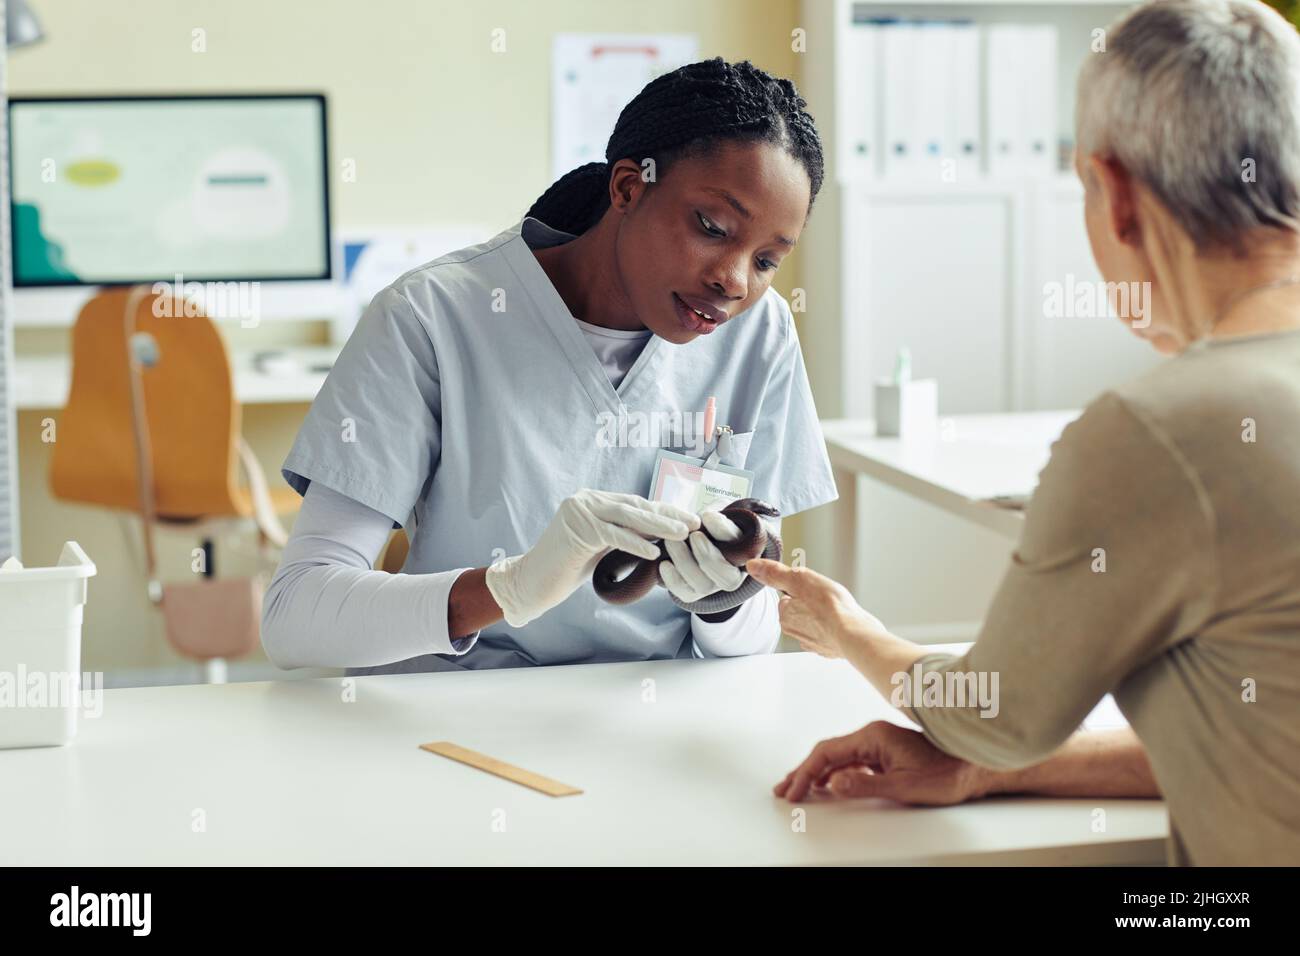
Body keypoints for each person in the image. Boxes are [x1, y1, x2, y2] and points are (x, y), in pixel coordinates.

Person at [750, 0, 1300, 866]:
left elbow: (990, 714)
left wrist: (847, 627)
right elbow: (1261, 735)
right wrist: (987, 776)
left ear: (1113, 195)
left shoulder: (1161, 430)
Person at [261, 58, 837, 674]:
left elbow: (752, 643)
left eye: (768, 260)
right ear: (627, 188)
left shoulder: (761, 332)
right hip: (453, 722)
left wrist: (723, 602)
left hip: (645, 725)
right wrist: (507, 587)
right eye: (712, 226)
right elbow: (296, 618)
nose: (733, 280)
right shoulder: (431, 317)